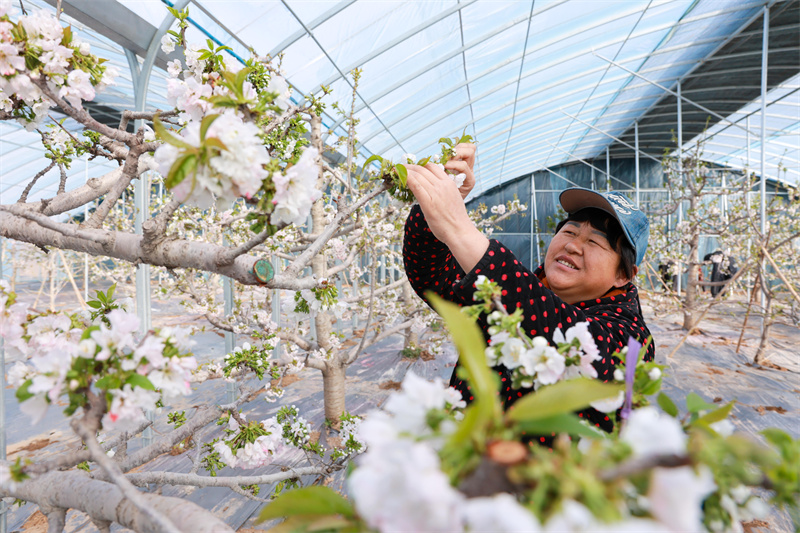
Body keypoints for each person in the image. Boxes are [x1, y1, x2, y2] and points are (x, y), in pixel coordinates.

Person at [402, 144, 654, 432]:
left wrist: (458, 228)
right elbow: (434, 279)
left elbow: (562, 329)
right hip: (465, 458)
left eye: (595, 242)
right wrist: (436, 208)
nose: (572, 245)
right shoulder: (513, 291)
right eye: (569, 231)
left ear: (623, 275)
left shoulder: (632, 342)